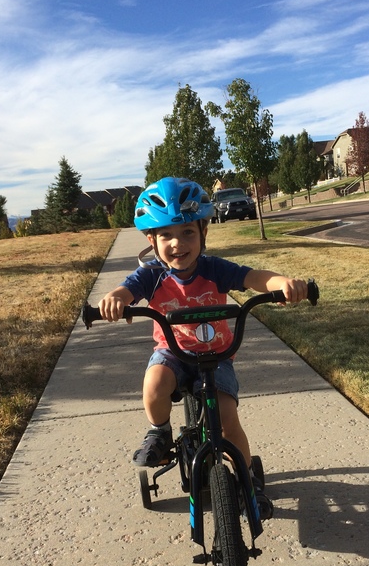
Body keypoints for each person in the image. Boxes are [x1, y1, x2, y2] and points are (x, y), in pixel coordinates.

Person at [99, 177, 308, 519]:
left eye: (187, 232)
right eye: (166, 235)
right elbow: (127, 290)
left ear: (203, 232)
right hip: (173, 352)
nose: (177, 243)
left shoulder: (215, 269)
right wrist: (115, 300)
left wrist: (282, 283)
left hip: (216, 356)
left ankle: (246, 480)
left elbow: (253, 277)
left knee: (226, 420)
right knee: (154, 387)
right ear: (152, 241)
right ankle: (160, 431)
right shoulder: (151, 275)